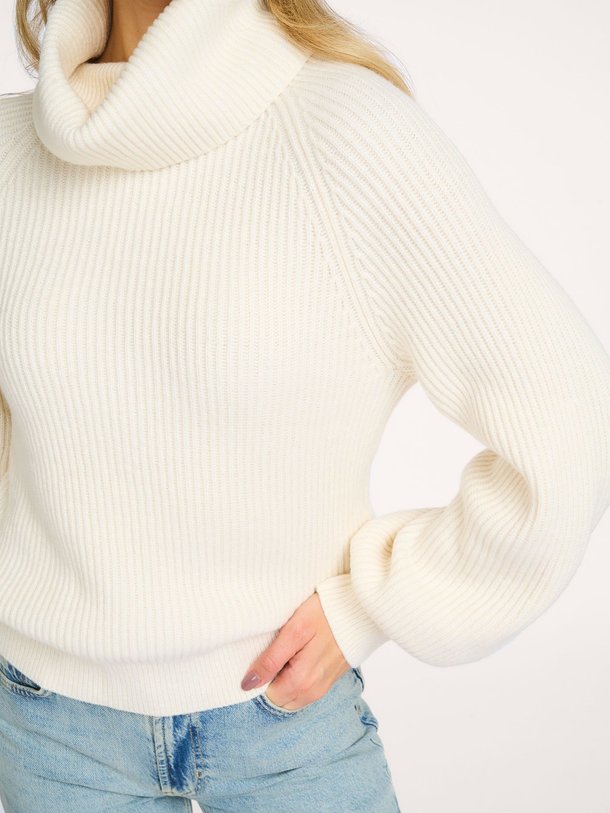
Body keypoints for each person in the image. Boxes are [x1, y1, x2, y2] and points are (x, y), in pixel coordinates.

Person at [1, 0, 609, 809]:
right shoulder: (10, 154)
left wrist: (376, 600)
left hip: (282, 727)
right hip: (47, 731)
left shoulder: (346, 133)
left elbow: (567, 414)